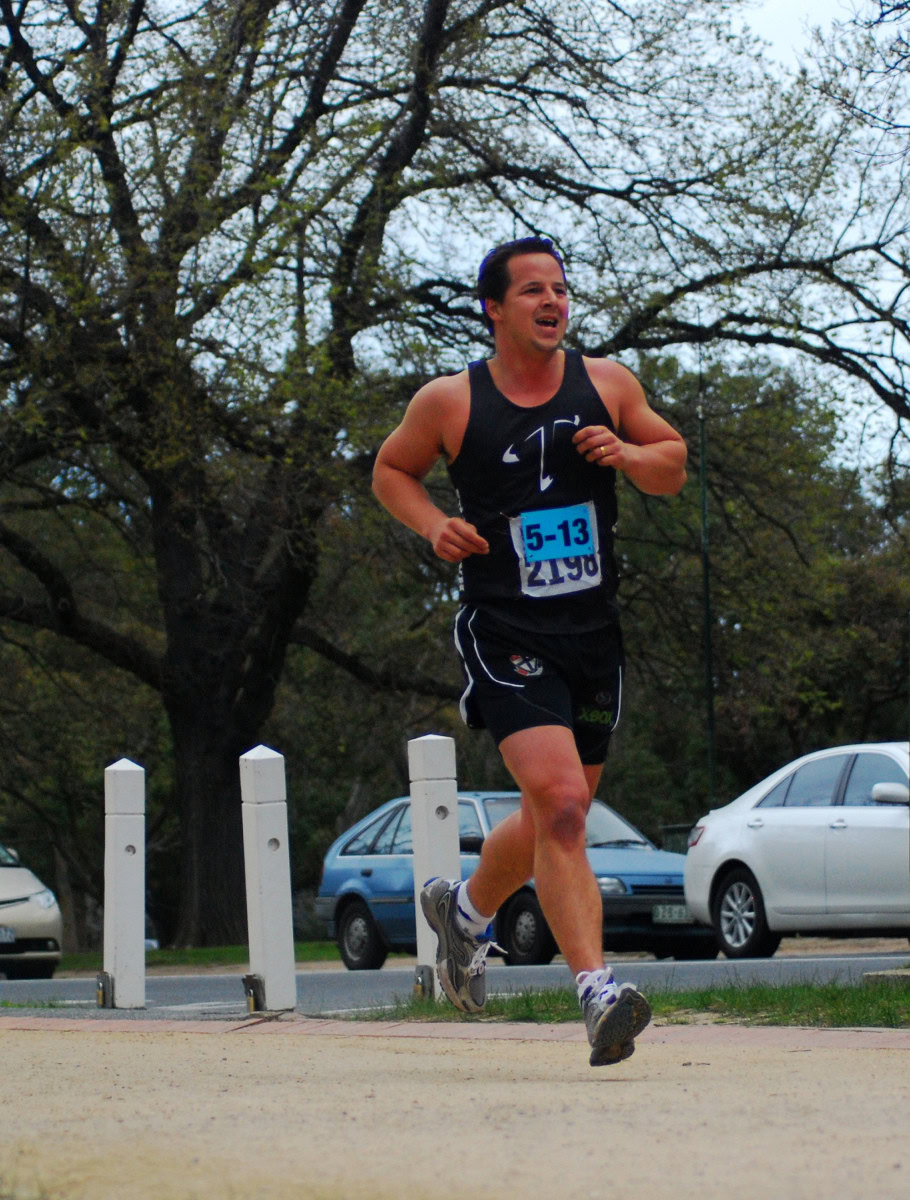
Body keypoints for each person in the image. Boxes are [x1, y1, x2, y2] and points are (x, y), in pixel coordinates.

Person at [372, 236, 687, 1066]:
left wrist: (626, 453)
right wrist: (434, 523)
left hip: (592, 635)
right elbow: (391, 471)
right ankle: (598, 993)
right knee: (563, 805)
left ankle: (465, 914)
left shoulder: (608, 384)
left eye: (561, 290)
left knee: (558, 810)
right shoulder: (450, 401)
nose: (553, 303)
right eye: (533, 291)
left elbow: (674, 463)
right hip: (505, 628)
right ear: (494, 307)